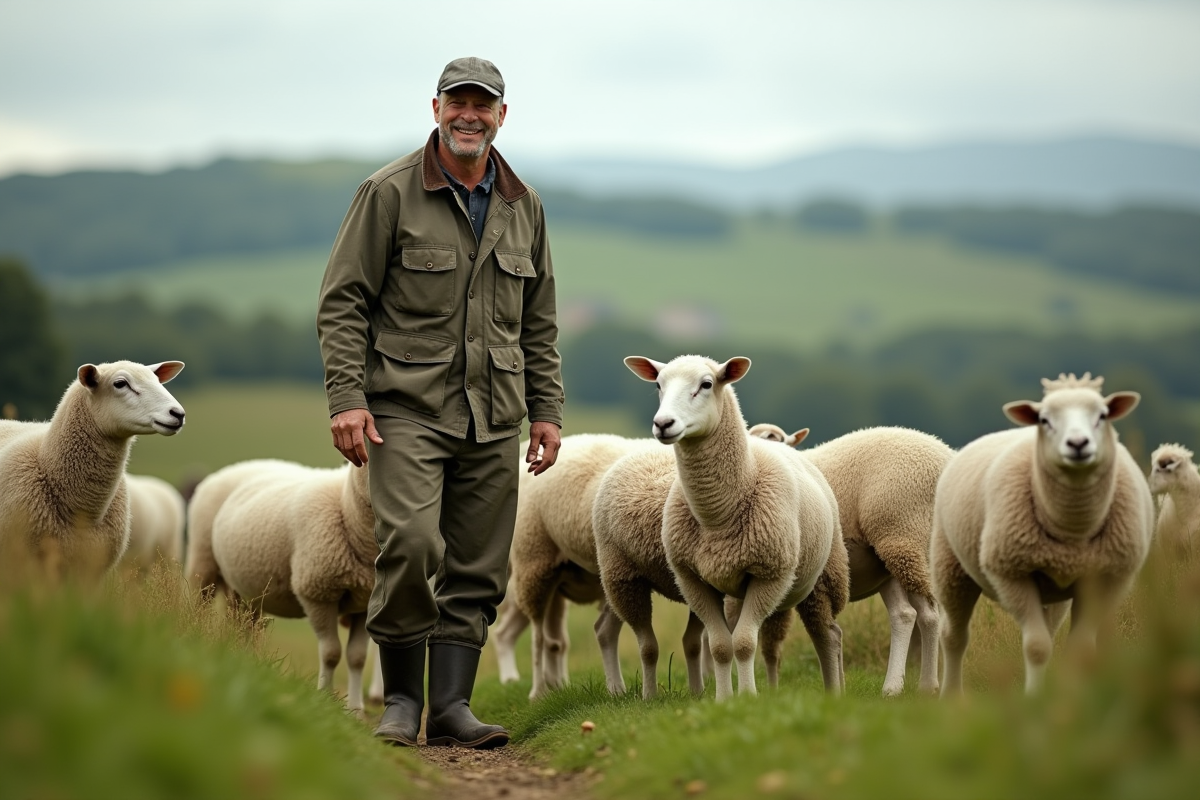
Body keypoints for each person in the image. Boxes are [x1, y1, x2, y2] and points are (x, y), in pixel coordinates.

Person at [316, 56, 564, 749]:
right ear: (435, 108)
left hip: (495, 415)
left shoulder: (525, 206)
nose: (469, 115)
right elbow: (343, 303)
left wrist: (546, 411)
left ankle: (451, 707)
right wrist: (347, 398)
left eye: (483, 106)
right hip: (403, 409)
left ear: (502, 117)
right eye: (458, 102)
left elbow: (539, 321)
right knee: (411, 543)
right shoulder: (388, 192)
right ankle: (400, 699)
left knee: (481, 566)